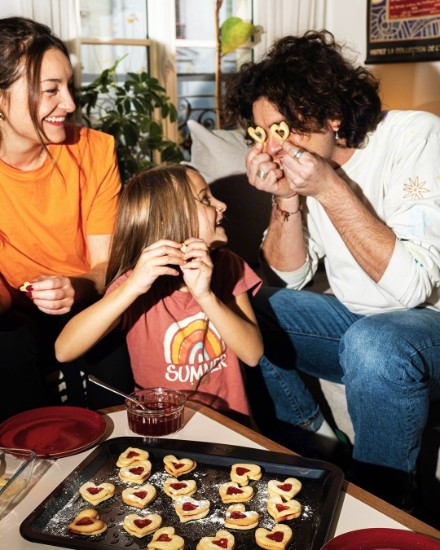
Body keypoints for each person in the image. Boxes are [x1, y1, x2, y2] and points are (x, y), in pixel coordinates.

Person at [224, 29, 440, 509]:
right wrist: (286, 200)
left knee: (375, 343)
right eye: (263, 134)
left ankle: (382, 507)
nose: (273, 149)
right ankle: (317, 440)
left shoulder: (414, 135)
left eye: (284, 130)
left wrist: (328, 189)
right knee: (240, 302)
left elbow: (412, 287)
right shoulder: (304, 167)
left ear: (333, 114)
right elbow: (287, 279)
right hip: (357, 317)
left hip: (429, 323)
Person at [0, 16, 134, 422]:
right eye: (50, 91)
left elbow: (105, 264)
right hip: (12, 316)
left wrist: (77, 287)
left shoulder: (93, 151)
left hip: (88, 300)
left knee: (108, 346)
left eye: (69, 87)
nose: (71, 104)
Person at [55, 164, 263, 423]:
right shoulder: (136, 284)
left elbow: (252, 354)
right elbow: (64, 350)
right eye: (205, 199)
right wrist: (132, 288)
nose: (222, 205)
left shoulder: (227, 267)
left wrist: (205, 295)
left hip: (231, 424)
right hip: (164, 427)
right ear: (167, 220)